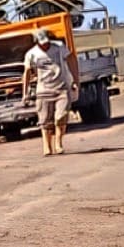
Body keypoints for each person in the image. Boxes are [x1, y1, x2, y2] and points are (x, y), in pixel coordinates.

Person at [22, 25, 78, 156]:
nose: (45, 46)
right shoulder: (31, 54)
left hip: (62, 88)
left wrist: (75, 80)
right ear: (36, 42)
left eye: (46, 42)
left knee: (61, 117)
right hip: (43, 91)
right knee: (45, 121)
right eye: (42, 44)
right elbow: (27, 73)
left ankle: (58, 143)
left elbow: (71, 59)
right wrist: (25, 93)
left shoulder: (59, 48)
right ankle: (46, 146)